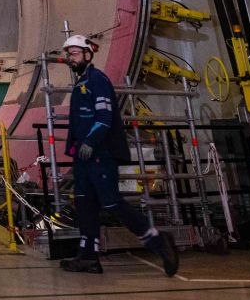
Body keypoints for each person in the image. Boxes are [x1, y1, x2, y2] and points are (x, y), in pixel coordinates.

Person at [58, 34, 178, 276]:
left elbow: (104, 117)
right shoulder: (81, 83)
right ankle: (88, 257)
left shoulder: (97, 81)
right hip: (83, 157)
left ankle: (157, 240)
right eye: (68, 54)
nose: (70, 58)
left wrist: (91, 141)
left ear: (87, 55)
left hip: (99, 155)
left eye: (75, 53)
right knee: (84, 204)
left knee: (111, 202)